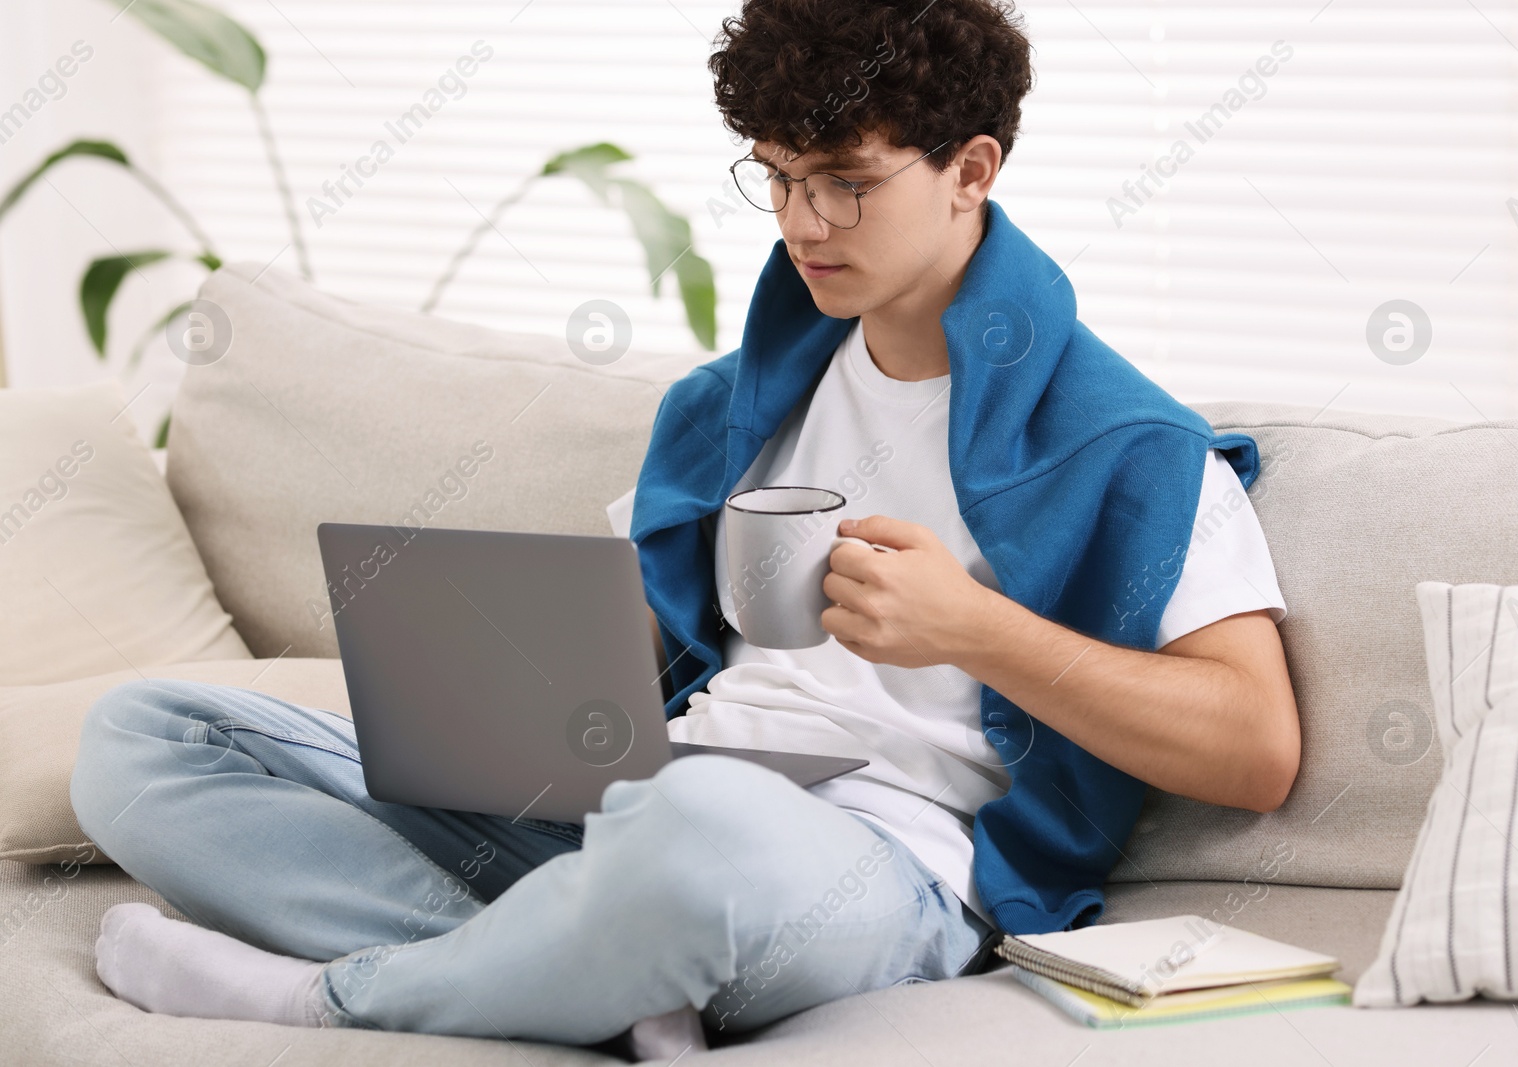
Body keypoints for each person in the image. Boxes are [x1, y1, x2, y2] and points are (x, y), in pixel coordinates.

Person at [69, 0, 1299, 1058]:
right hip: (644, 807)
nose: (802, 223)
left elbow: (1252, 746)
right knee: (143, 736)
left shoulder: (1132, 446)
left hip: (873, 864)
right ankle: (589, 966)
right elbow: (647, 669)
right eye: (773, 174)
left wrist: (975, 629)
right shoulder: (725, 409)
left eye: (845, 183)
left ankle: (346, 998)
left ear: (971, 170)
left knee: (695, 835)